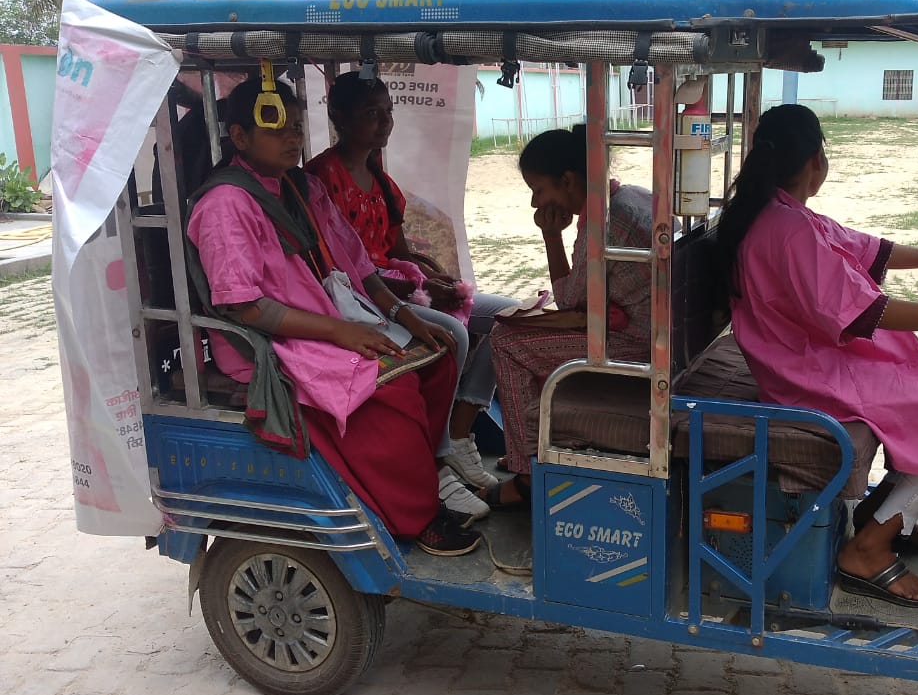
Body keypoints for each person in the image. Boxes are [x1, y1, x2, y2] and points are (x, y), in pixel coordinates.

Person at [715, 104, 918, 607]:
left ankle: (883, 517)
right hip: (806, 373)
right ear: (817, 160)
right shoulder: (787, 229)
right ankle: (867, 548)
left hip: (811, 357)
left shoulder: (782, 213)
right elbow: (869, 313)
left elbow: (869, 249)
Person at [186, 76, 480, 556]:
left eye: (296, 126)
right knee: (395, 389)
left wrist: (406, 316)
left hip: (326, 320)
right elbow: (245, 306)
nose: (292, 137)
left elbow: (358, 265)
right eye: (276, 127)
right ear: (239, 136)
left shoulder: (302, 186)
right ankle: (417, 514)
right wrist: (341, 332)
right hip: (268, 340)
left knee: (438, 355)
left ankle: (426, 473)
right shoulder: (226, 204)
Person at [306, 71, 516, 521]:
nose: (385, 122)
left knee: (508, 317)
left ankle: (460, 432)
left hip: (396, 286)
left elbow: (397, 252)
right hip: (359, 300)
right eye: (371, 113)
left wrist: (431, 274)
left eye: (388, 112)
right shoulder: (322, 180)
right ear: (339, 117)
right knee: (455, 336)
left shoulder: (381, 180)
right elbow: (340, 268)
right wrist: (411, 287)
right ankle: (437, 459)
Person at [487, 124, 653, 508]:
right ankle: (531, 446)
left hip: (637, 343)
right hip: (654, 331)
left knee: (505, 342)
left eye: (538, 190)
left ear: (567, 180)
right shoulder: (630, 197)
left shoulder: (602, 222)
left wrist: (551, 236)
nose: (535, 204)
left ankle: (526, 475)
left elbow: (568, 300)